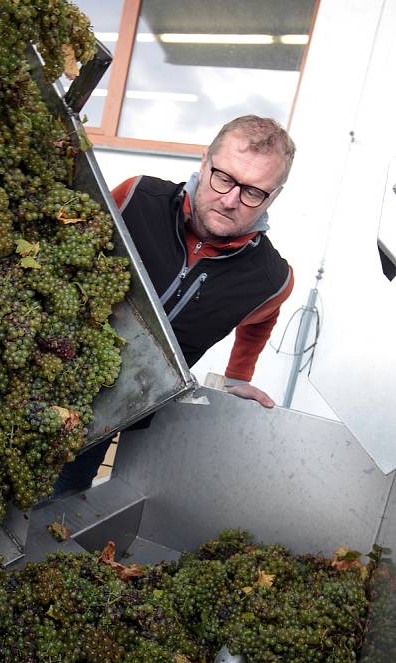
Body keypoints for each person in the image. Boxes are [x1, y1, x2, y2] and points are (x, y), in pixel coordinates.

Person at [53, 115, 295, 495]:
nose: (230, 200)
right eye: (224, 178)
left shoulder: (271, 279)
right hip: (46, 371)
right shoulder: (135, 197)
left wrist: (238, 376)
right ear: (204, 162)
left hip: (113, 414)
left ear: (274, 196)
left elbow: (263, 319)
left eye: (252, 192)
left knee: (58, 507)